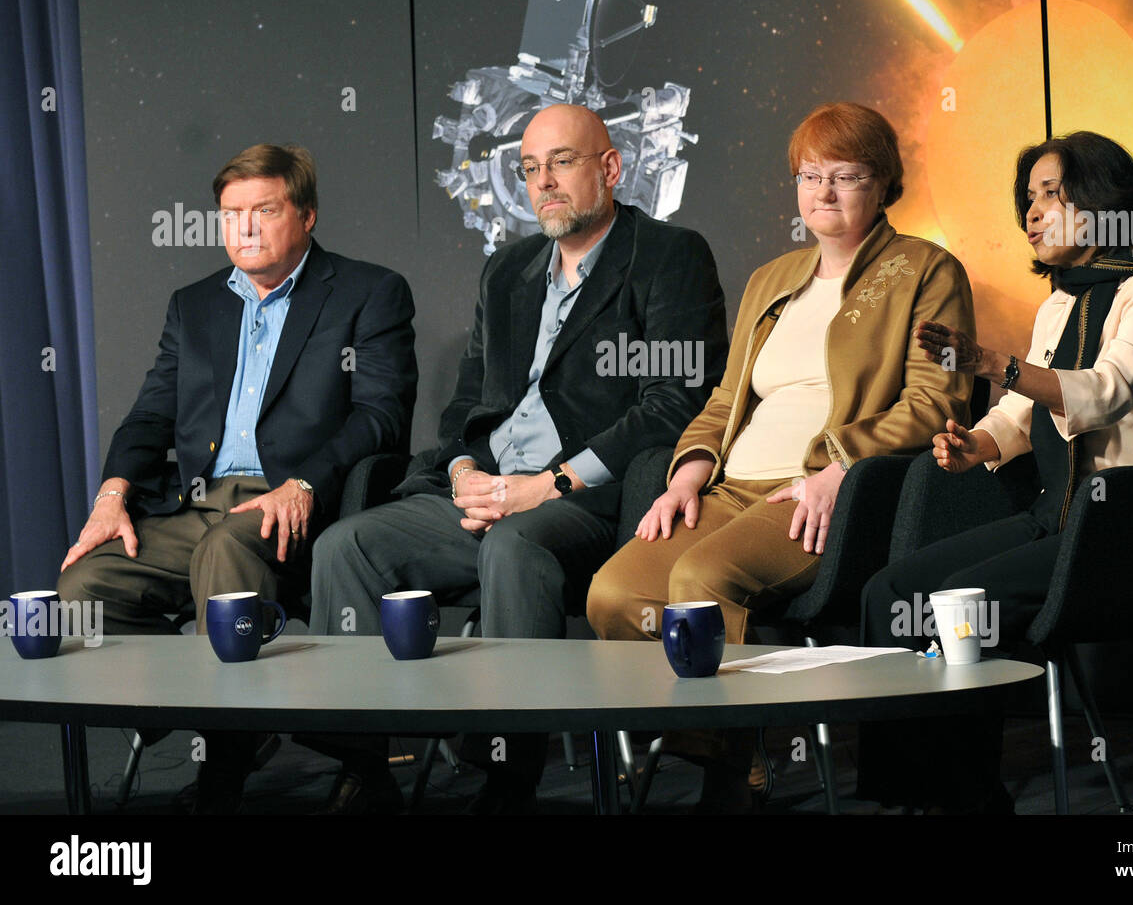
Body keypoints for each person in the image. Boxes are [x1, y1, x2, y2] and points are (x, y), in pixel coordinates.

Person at [307, 103, 728, 813]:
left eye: (562, 162)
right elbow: (467, 401)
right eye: (530, 169)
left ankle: (506, 774)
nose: (544, 183)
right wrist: (467, 474)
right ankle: (364, 762)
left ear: (610, 167)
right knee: (347, 546)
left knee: (512, 545)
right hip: (486, 489)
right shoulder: (507, 272)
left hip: (585, 500)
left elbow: (671, 402)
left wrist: (547, 485)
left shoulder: (666, 256)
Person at [586, 101, 977, 812]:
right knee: (614, 594)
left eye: (846, 176)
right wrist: (688, 473)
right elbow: (725, 396)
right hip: (732, 487)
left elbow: (937, 400)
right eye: (810, 176)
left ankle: (728, 774)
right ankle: (732, 743)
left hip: (824, 492)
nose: (824, 193)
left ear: (884, 182)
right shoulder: (772, 279)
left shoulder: (926, 269)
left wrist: (839, 466)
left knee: (703, 577)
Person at [858, 130, 1133, 813]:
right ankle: (904, 793)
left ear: (1105, 200)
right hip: (1055, 514)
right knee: (890, 588)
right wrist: (979, 445)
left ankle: (970, 798)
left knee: (962, 599)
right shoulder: (1059, 301)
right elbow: (1024, 413)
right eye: (1029, 198)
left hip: (1128, 526)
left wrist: (994, 364)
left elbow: (1105, 390)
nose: (1032, 212)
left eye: (1052, 193)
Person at [57, 143, 419, 813]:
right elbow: (148, 416)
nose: (244, 228)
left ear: (306, 215)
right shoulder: (194, 305)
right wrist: (112, 496)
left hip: (301, 506)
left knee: (225, 551)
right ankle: (231, 722)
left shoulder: (369, 292)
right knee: (86, 585)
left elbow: (380, 418)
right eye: (230, 214)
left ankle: (221, 773)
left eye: (263, 210)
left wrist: (305, 482)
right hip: (196, 506)